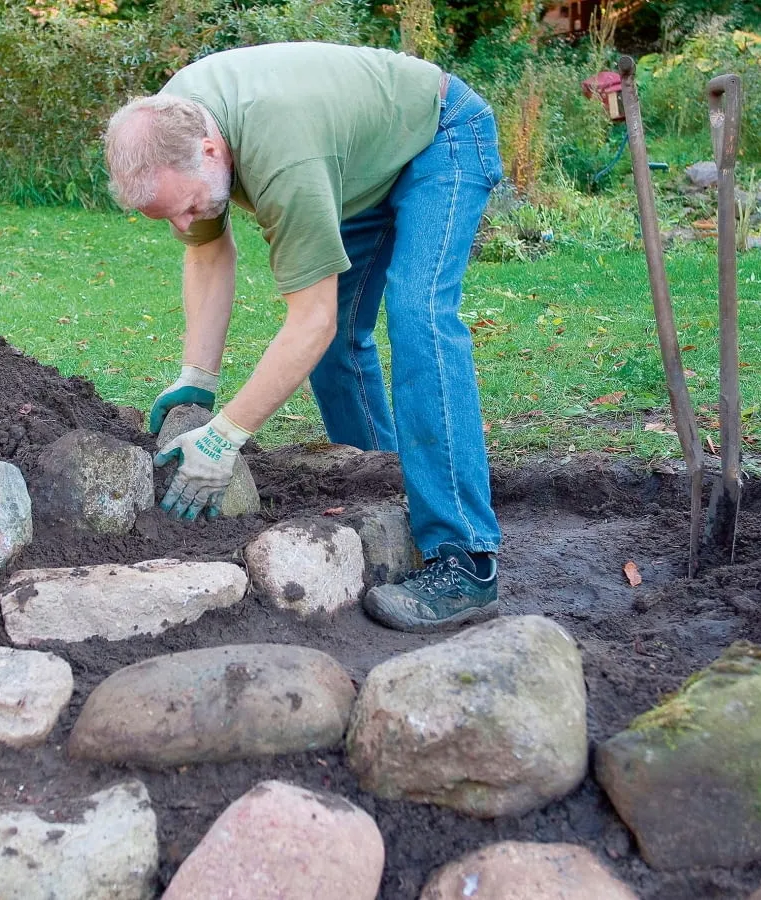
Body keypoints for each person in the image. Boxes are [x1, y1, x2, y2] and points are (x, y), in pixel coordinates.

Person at [103, 41, 503, 633]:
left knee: (418, 317)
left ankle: (464, 559)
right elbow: (208, 252)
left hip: (438, 136)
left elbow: (310, 320)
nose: (185, 224)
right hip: (354, 164)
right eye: (169, 217)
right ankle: (383, 490)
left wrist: (225, 436)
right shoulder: (172, 126)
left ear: (211, 151)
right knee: (337, 346)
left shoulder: (281, 159)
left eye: (185, 207)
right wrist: (197, 378)